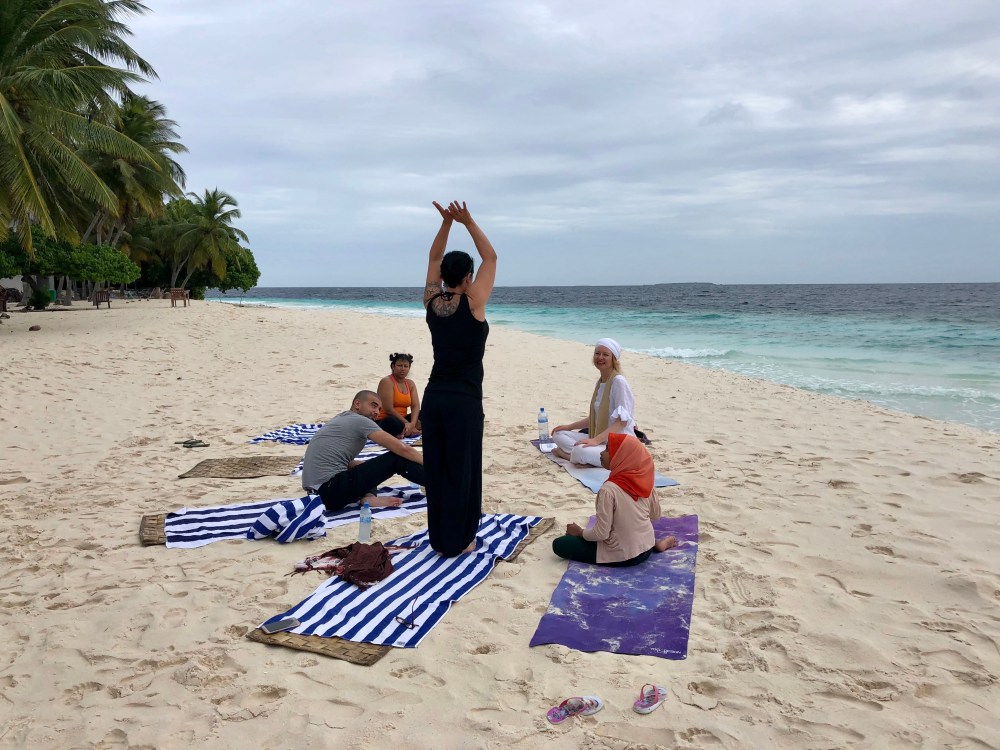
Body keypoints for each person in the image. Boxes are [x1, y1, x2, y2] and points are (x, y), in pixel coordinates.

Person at [421, 200, 497, 557]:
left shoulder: (432, 301)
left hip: (434, 396)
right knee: (463, 469)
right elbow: (492, 258)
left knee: (438, 468)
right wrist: (468, 220)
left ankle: (440, 538)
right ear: (468, 277)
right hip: (464, 401)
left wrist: (447, 224)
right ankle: (461, 539)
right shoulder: (474, 301)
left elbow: (433, 260)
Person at [552, 433, 677, 566]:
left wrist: (580, 532)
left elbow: (601, 534)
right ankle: (656, 545)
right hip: (646, 545)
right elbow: (655, 515)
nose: (601, 454)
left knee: (560, 544)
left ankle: (647, 544)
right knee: (634, 530)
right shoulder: (645, 479)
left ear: (620, 457)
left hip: (622, 556)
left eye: (607, 450)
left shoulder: (608, 490)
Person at [301, 390, 426, 512]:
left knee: (361, 465)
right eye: (373, 406)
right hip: (331, 489)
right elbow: (402, 449)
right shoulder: (360, 420)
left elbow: (337, 460)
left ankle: (369, 498)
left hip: (318, 496)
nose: (377, 412)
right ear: (357, 404)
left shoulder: (340, 418)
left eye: (379, 409)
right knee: (397, 458)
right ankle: (441, 483)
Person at [550, 338, 636, 466]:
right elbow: (595, 418)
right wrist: (569, 427)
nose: (600, 357)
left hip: (616, 444)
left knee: (581, 450)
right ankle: (578, 456)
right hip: (600, 438)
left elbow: (622, 422)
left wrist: (595, 440)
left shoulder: (618, 382)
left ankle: (567, 455)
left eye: (605, 354)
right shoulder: (601, 382)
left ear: (613, 359)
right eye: (597, 353)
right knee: (558, 434)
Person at [376, 352, 421, 437]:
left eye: (406, 366)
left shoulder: (410, 384)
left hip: (404, 420)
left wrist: (412, 424)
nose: (403, 369)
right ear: (393, 367)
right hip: (386, 420)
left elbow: (415, 406)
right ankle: (406, 430)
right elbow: (388, 409)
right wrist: (407, 423)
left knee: (425, 414)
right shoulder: (387, 382)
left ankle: (406, 430)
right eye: (400, 366)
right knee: (391, 421)